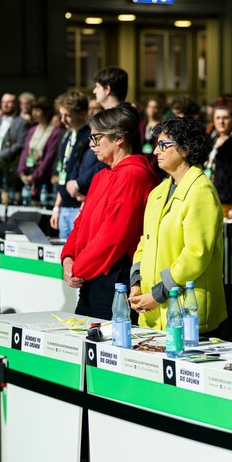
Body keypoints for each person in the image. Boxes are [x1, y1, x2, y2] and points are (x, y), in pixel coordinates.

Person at [60, 106, 159, 319]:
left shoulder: (133, 175)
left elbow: (113, 236)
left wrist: (79, 267)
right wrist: (68, 258)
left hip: (115, 276)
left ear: (119, 138)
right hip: (94, 273)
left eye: (96, 138)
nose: (91, 144)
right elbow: (81, 222)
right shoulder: (102, 175)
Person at [129, 117, 227, 333]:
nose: (156, 152)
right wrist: (136, 284)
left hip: (187, 315)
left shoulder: (201, 191)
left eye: (163, 145)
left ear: (185, 149)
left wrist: (156, 294)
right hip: (153, 313)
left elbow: (196, 255)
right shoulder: (157, 192)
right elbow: (143, 244)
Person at [50, 91, 104, 240]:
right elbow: (63, 171)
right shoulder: (65, 135)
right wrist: (56, 207)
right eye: (61, 115)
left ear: (81, 114)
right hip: (64, 206)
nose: (63, 120)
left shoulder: (89, 136)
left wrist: (80, 189)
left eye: (67, 115)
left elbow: (95, 170)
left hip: (79, 206)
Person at [0, 92, 29, 189]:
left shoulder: (22, 123)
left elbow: (19, 145)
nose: (5, 104)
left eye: (9, 102)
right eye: (3, 102)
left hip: (10, 168)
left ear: (15, 104)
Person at [17, 98, 62, 193]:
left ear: (46, 112)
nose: (34, 113)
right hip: (28, 174)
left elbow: (49, 158)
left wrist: (34, 176)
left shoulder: (55, 132)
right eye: (33, 110)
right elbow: (25, 151)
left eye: (38, 110)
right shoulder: (32, 130)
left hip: (43, 179)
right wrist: (21, 172)